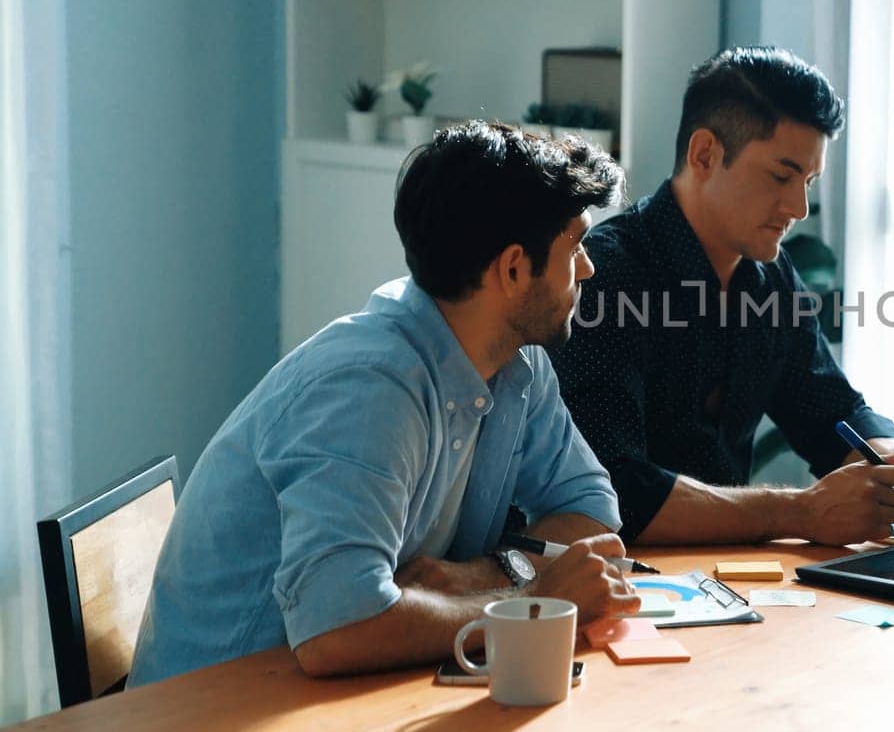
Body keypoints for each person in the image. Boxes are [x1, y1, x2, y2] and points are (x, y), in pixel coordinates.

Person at [130, 122, 639, 687]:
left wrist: (485, 574)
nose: (589, 267)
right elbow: (338, 627)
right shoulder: (370, 388)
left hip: (333, 696)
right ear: (514, 269)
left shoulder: (515, 362)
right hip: (216, 716)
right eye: (576, 244)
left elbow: (590, 507)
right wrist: (533, 599)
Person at [549, 47, 894, 545]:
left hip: (731, 581)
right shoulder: (604, 273)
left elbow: (832, 413)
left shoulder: (769, 277)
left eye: (808, 182)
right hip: (612, 581)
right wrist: (799, 512)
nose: (798, 207)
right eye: (781, 176)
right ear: (705, 153)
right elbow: (616, 490)